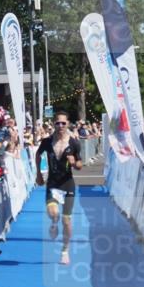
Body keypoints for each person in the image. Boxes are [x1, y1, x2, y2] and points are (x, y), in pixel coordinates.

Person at [35, 111, 82, 264]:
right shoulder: (47, 142)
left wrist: (74, 162)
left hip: (68, 183)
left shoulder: (74, 142)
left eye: (63, 123)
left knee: (66, 220)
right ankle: (54, 222)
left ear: (68, 124)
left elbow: (80, 165)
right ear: (54, 124)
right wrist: (39, 174)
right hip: (53, 183)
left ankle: (65, 251)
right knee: (54, 213)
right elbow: (37, 154)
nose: (61, 126)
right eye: (58, 123)